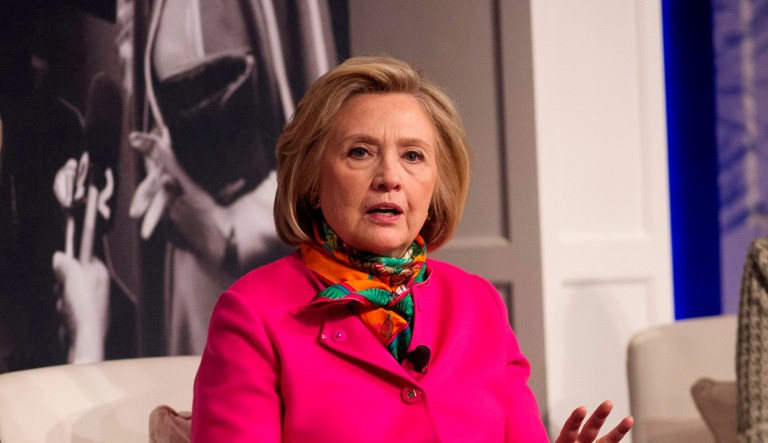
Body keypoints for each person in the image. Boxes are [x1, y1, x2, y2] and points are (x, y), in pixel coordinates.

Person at [191, 55, 634, 442]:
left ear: (436, 183)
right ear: (311, 179)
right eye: (360, 152)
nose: (390, 176)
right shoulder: (253, 314)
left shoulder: (479, 304)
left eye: (413, 156)